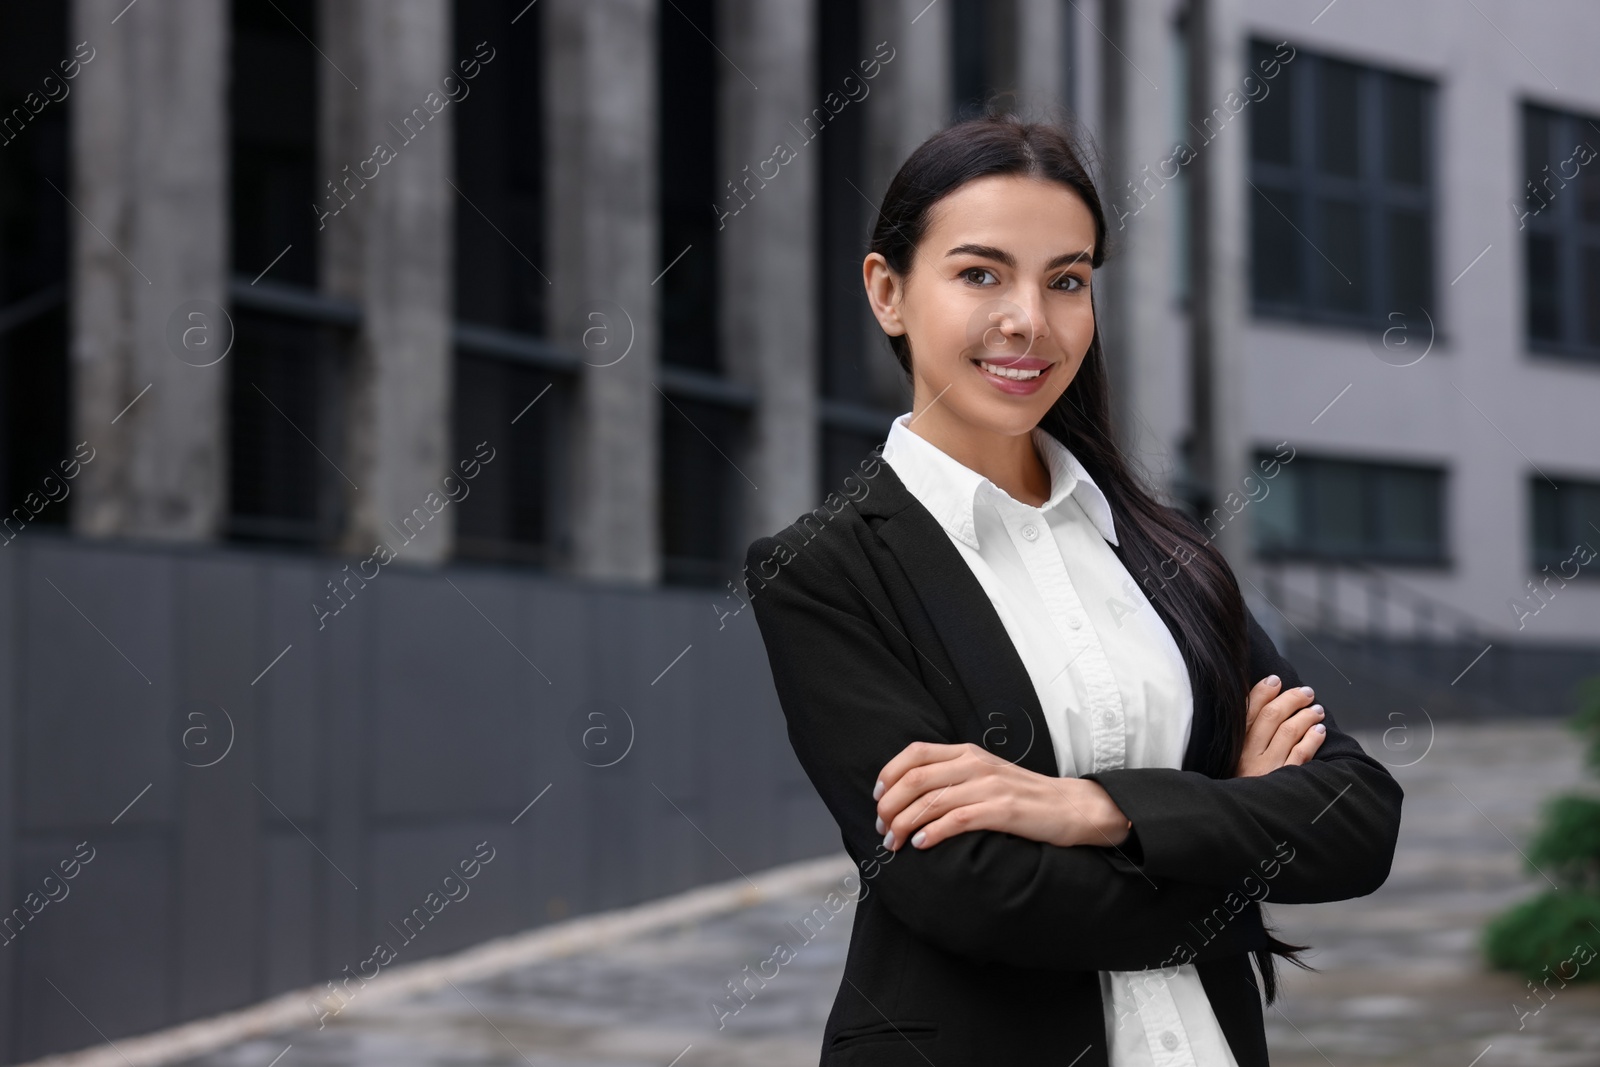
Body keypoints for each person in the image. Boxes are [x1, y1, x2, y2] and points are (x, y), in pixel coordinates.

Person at [743, 114, 1403, 1066]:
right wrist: (1234, 833)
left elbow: (1358, 820)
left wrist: (1093, 809)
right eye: (981, 273)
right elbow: (974, 892)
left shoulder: (1161, 548)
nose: (1030, 320)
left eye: (1067, 280)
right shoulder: (825, 570)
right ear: (888, 291)